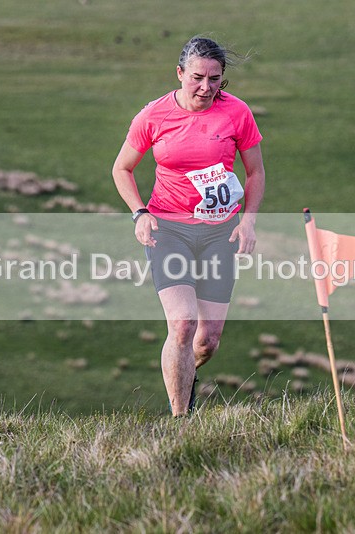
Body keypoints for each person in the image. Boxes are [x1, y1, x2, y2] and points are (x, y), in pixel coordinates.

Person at [112, 36, 266, 416]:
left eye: (215, 79)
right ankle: (181, 421)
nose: (206, 87)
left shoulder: (237, 113)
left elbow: (256, 172)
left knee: (207, 342)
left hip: (219, 231)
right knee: (182, 325)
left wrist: (248, 221)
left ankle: (184, 374)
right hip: (169, 229)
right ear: (180, 73)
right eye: (197, 77)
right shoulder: (153, 116)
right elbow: (122, 169)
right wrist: (139, 212)